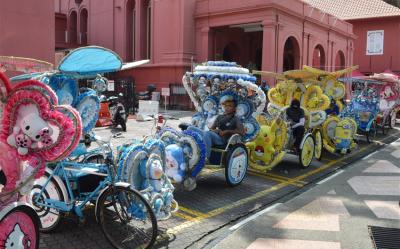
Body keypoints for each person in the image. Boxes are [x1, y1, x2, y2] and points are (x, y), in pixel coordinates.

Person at [187, 96, 245, 160]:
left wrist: (227, 131)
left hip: (222, 140)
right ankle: (189, 152)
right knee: (190, 128)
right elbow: (211, 129)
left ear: (234, 108)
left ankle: (205, 158)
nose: (227, 108)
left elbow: (242, 132)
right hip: (214, 135)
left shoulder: (236, 119)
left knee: (207, 134)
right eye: (226, 106)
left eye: (230, 106)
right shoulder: (220, 117)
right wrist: (215, 130)